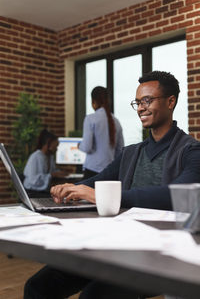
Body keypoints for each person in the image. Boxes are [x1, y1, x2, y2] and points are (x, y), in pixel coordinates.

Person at [24, 71, 200, 299]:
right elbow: (97, 181)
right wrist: (69, 189)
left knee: (93, 296)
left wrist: (106, 198)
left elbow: (177, 195)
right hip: (114, 244)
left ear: (171, 101)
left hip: (157, 254)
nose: (140, 108)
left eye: (147, 100)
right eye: (137, 102)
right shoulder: (131, 152)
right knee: (38, 287)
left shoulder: (192, 151)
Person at [79, 86, 124, 179]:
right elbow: (120, 151)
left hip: (92, 171)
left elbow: (87, 147)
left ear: (93, 101)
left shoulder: (90, 119)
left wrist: (79, 145)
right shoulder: (116, 121)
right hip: (110, 172)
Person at [23, 129, 67, 196]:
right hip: (32, 192)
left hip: (43, 191)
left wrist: (59, 173)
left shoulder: (50, 157)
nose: (56, 149)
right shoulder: (35, 157)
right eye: (55, 146)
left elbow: (52, 171)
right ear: (48, 144)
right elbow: (33, 180)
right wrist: (52, 175)